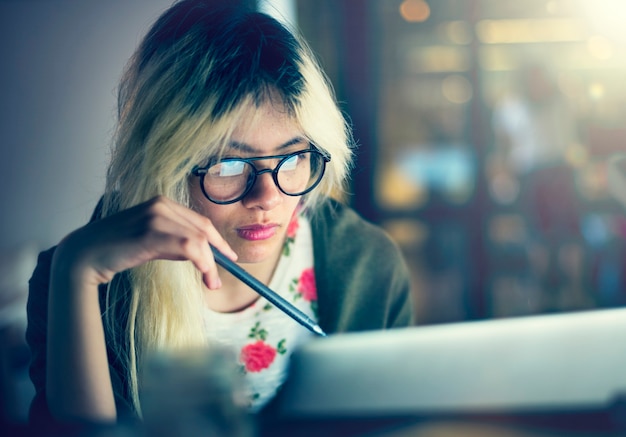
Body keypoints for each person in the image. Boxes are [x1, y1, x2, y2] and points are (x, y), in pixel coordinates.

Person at [25, 0, 414, 429]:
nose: (267, 196)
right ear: (163, 163)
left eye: (292, 158)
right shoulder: (73, 278)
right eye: (228, 165)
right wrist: (76, 272)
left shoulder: (365, 260)